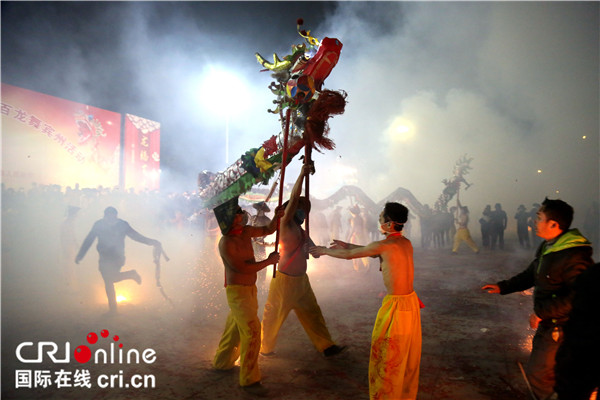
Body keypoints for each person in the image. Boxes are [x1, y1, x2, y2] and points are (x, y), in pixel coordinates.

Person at [482, 198, 593, 400]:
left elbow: (579, 297)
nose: (535, 221)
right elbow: (532, 274)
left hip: (562, 328)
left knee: (539, 374)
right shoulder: (549, 247)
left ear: (554, 224)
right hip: (550, 325)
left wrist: (541, 313)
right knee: (549, 374)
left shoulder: (574, 256)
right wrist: (503, 287)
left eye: (539, 217)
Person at [311, 202, 421, 400]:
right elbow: (371, 250)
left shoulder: (386, 245)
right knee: (406, 356)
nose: (378, 220)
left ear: (389, 223)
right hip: (410, 303)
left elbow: (350, 256)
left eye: (381, 217)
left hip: (397, 306)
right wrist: (349, 245)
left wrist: (324, 250)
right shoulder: (404, 243)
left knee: (388, 357)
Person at [260, 163, 345, 358]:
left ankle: (326, 345)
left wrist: (326, 250)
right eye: (298, 209)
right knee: (273, 317)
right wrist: (301, 174)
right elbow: (292, 200)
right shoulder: (285, 224)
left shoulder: (300, 230)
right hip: (284, 281)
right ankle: (265, 348)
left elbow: (314, 252)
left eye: (303, 210)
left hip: (302, 281)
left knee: (313, 314)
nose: (302, 212)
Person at [211, 197, 284, 395]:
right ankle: (249, 380)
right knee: (252, 332)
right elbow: (242, 267)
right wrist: (269, 262)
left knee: (235, 328)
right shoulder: (227, 243)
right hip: (237, 292)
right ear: (230, 219)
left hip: (249, 289)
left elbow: (267, 230)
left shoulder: (245, 232)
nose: (242, 214)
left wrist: (276, 218)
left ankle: (222, 362)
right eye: (238, 212)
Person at [75, 206, 161, 314]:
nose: (111, 219)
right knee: (108, 281)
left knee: (111, 279)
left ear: (116, 216)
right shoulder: (99, 225)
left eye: (113, 216)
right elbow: (89, 239)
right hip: (104, 257)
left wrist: (152, 242)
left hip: (117, 257)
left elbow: (136, 236)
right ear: (104, 216)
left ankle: (131, 275)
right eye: (108, 216)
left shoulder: (122, 224)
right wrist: (80, 255)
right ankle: (113, 309)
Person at [250, 201, 273, 295]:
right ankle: (253, 284)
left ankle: (261, 284)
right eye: (258, 209)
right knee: (252, 262)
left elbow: (271, 230)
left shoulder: (267, 220)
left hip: (261, 245)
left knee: (262, 262)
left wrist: (260, 237)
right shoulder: (252, 218)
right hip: (251, 244)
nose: (259, 211)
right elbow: (248, 228)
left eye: (261, 209)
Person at [60, 205, 80, 290]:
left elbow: (73, 235)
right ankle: (69, 287)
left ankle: (72, 286)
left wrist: (76, 244)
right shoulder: (66, 223)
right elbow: (64, 236)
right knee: (68, 267)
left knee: (71, 266)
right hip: (67, 246)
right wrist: (65, 248)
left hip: (70, 246)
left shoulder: (70, 223)